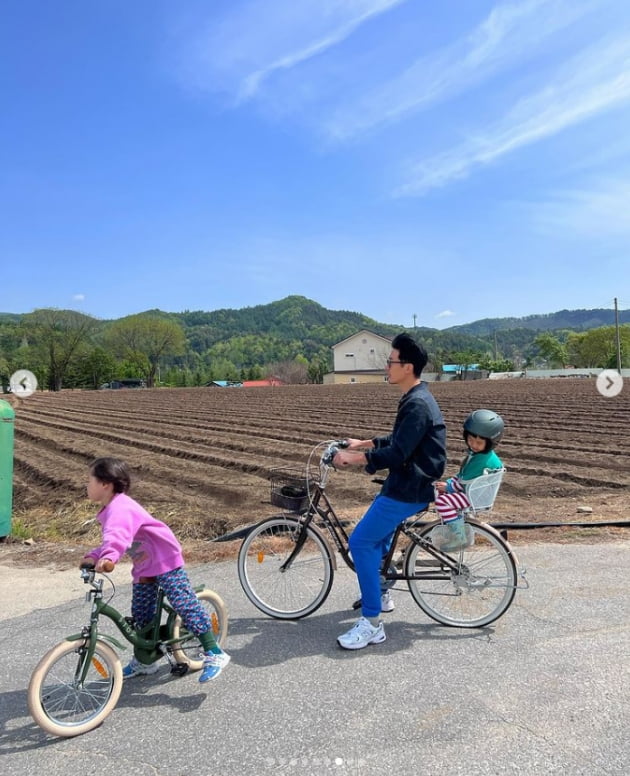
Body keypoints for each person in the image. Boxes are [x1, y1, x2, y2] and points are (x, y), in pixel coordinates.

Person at [332, 332, 446, 650]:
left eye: (391, 361)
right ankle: (381, 592)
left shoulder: (418, 403)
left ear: (407, 366)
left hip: (410, 486)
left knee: (361, 540)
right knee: (377, 536)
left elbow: (397, 454)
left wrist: (354, 458)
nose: (388, 366)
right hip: (405, 482)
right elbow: (400, 440)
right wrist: (363, 443)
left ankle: (371, 624)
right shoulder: (415, 398)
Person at [81, 457, 230, 682]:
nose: (87, 485)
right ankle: (145, 660)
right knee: (142, 613)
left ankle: (213, 651)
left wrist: (109, 557)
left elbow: (116, 538)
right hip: (144, 564)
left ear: (105, 484)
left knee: (182, 601)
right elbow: (112, 540)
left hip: (164, 558)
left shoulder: (120, 508)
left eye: (89, 480)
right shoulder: (111, 509)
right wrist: (94, 556)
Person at [434, 409, 504, 550]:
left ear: (491, 442)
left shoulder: (481, 460)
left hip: (472, 496)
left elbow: (463, 483)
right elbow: (462, 478)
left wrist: (448, 487)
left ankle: (459, 536)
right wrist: (448, 484)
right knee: (443, 493)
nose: (473, 444)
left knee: (442, 502)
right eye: (471, 440)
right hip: (474, 492)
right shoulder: (483, 455)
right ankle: (454, 527)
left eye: (479, 442)